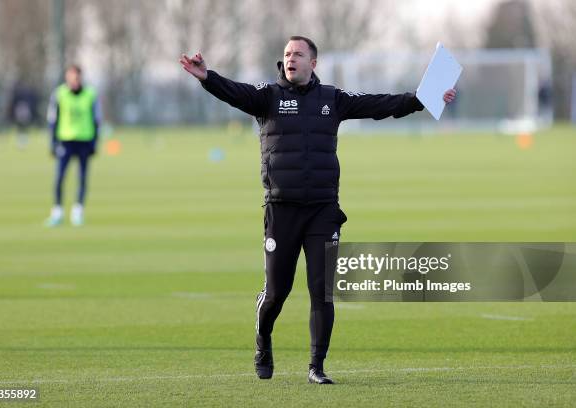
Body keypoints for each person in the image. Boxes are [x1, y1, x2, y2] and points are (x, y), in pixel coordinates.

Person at [179, 36, 456, 384]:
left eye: (298, 54)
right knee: (277, 293)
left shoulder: (333, 99)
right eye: (287, 54)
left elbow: (378, 105)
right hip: (281, 210)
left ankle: (316, 367)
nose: (291, 58)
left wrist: (421, 99)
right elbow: (234, 92)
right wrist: (207, 77)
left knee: (322, 290)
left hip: (323, 210)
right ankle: (263, 340)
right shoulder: (268, 97)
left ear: (313, 62)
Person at [45, 64, 101, 227]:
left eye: (77, 77)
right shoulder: (59, 94)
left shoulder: (90, 94)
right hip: (66, 140)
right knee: (59, 178)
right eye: (71, 77)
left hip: (84, 140)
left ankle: (78, 211)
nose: (74, 80)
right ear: (67, 77)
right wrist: (52, 142)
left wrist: (95, 141)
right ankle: (57, 212)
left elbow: (97, 119)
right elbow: (52, 119)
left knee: (82, 177)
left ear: (81, 77)